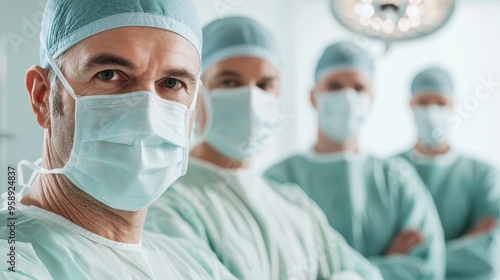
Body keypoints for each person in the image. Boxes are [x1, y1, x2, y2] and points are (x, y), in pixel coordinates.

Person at [0, 0, 237, 278]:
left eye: (172, 83)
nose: (146, 116)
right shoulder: (15, 261)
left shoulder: (193, 263)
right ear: (42, 97)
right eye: (109, 75)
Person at [145, 16, 383, 280]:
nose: (251, 97)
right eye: (229, 82)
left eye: (264, 84)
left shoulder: (295, 205)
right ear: (195, 92)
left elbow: (365, 274)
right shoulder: (169, 203)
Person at [264, 42, 445, 279]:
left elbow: (426, 267)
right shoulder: (279, 180)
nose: (347, 97)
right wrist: (381, 268)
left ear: (371, 99)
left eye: (358, 88)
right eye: (334, 86)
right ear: (313, 96)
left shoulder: (397, 178)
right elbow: (274, 266)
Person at [396, 66, 500, 279]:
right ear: (411, 105)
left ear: (453, 105)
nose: (432, 111)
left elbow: (490, 252)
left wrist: (410, 259)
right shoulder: (389, 172)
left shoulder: (483, 175)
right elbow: (371, 253)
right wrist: (467, 244)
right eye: (423, 103)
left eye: (440, 103)